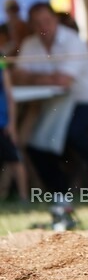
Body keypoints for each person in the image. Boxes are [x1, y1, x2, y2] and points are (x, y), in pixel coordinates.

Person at [13, 2, 88, 193]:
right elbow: (17, 76)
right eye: (37, 23)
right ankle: (59, 190)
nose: (43, 27)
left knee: (71, 133)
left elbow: (63, 81)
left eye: (47, 21)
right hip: (55, 104)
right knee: (36, 141)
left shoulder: (73, 41)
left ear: (55, 20)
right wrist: (49, 78)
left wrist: (33, 77)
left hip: (87, 102)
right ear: (31, 25)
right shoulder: (30, 44)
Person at [0, 55, 28, 202]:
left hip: (3, 124)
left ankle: (24, 197)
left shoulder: (2, 66)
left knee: (15, 159)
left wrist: (12, 124)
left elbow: (10, 98)